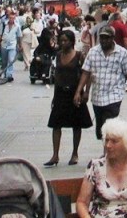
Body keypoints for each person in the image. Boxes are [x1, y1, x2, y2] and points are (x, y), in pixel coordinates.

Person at [74, 25, 127, 140]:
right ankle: (107, 151)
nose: (104, 40)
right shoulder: (93, 52)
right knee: (100, 130)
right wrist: (80, 91)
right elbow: (86, 73)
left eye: (107, 38)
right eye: (102, 38)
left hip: (114, 96)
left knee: (108, 127)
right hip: (97, 97)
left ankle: (107, 154)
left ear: (113, 38)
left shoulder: (122, 53)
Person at [44, 29, 93, 166]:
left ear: (72, 42)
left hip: (74, 92)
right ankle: (55, 155)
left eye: (65, 40)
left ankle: (75, 153)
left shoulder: (79, 56)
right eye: (61, 40)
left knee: (76, 124)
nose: (62, 43)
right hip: (61, 93)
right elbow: (57, 76)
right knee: (56, 124)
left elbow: (87, 74)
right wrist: (54, 96)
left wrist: (85, 92)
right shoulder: (58, 55)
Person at [0, 8, 21, 82]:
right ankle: (5, 73)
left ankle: (9, 75)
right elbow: (0, 35)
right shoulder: (3, 24)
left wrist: (19, 45)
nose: (12, 19)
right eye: (10, 18)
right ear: (8, 17)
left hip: (12, 45)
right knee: (4, 62)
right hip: (4, 45)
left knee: (11, 60)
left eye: (13, 18)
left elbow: (19, 36)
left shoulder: (17, 26)